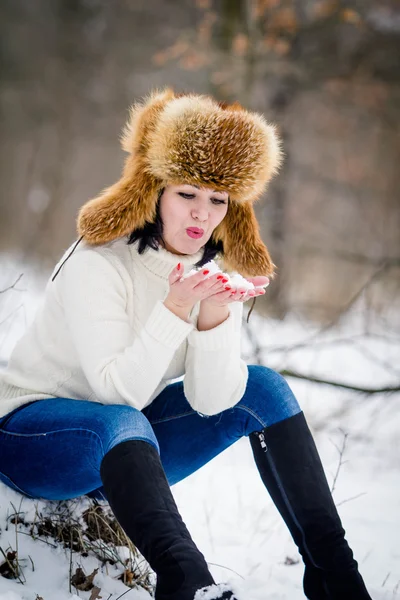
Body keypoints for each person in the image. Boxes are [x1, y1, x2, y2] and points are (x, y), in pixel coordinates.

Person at [0, 89, 372, 600]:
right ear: (154, 192)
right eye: (187, 194)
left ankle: (336, 575)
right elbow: (115, 393)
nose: (202, 214)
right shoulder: (98, 261)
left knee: (261, 388)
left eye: (218, 200)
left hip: (123, 452)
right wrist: (175, 309)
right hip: (31, 437)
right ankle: (189, 585)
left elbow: (214, 401)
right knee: (122, 420)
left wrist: (216, 319)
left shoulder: (206, 275)